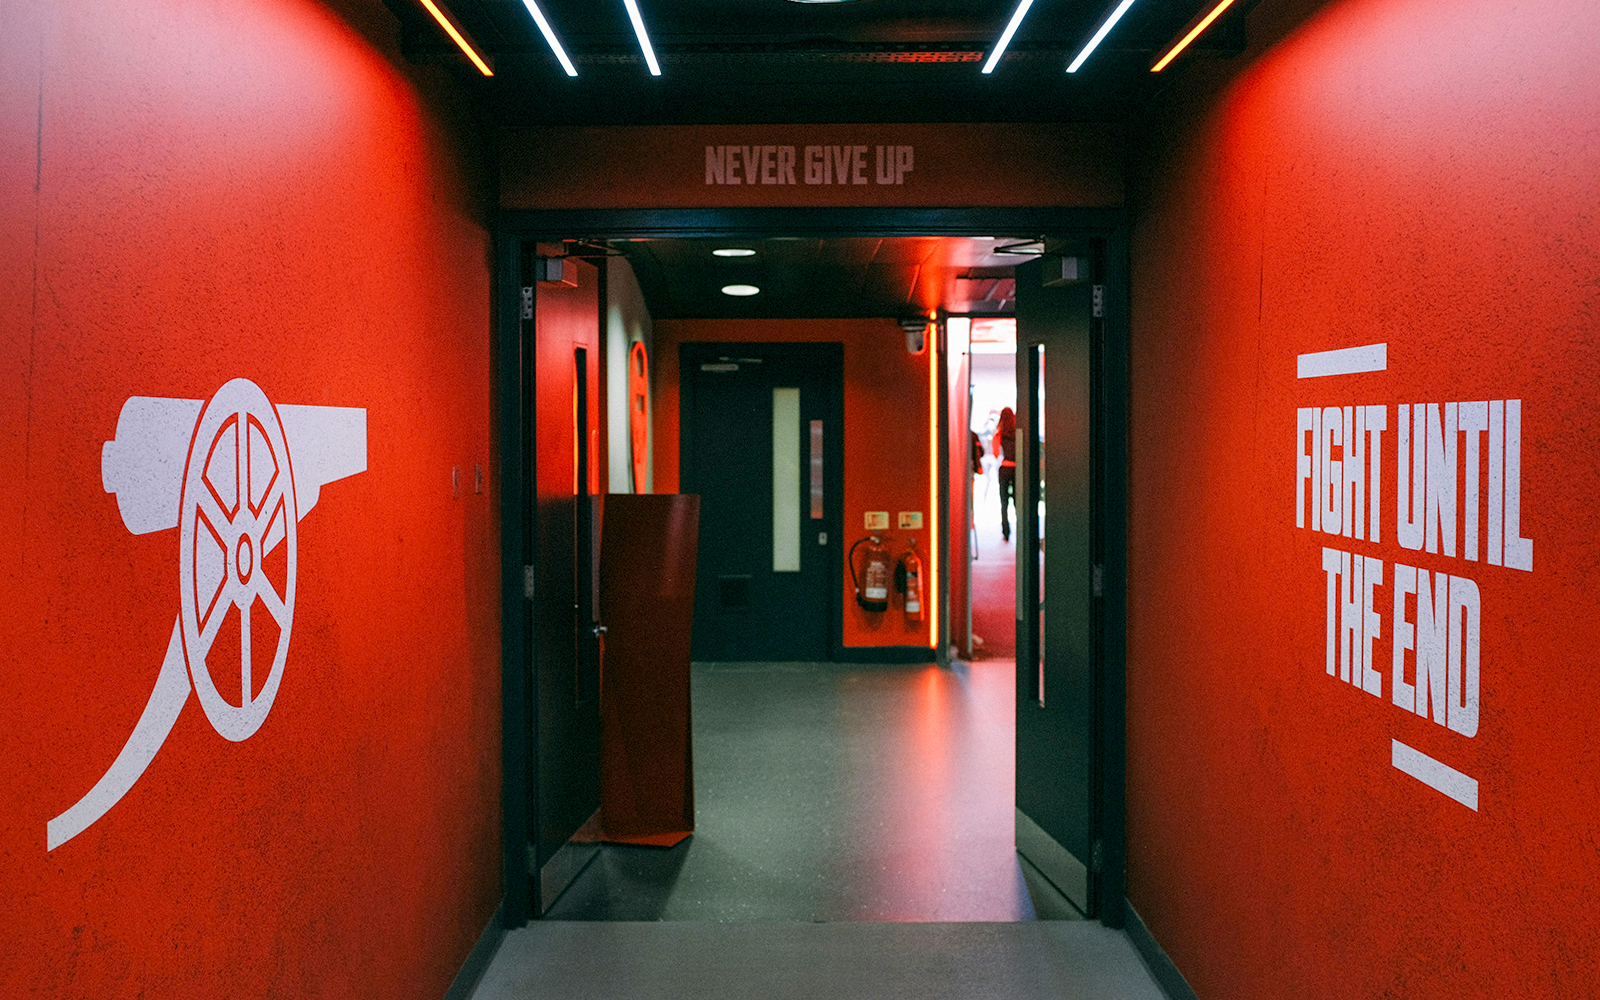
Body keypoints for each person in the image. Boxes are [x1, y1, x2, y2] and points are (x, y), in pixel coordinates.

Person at [993, 407, 1017, 541]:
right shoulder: (1017, 435)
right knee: (1018, 501)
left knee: (1004, 501)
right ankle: (1021, 528)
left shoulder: (999, 436)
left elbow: (996, 453)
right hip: (1016, 469)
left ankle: (1006, 531)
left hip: (1004, 468)